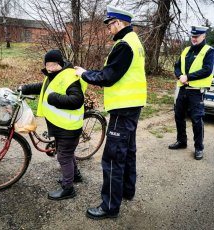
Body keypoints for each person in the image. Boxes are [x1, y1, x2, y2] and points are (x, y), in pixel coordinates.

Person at [75, 5, 147, 220]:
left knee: (113, 158)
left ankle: (109, 207)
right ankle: (127, 190)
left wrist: (85, 74)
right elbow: (113, 72)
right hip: (132, 106)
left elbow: (107, 77)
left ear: (118, 23)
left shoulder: (124, 45)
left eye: (109, 25)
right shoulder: (134, 41)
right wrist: (90, 72)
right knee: (128, 151)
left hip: (123, 109)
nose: (108, 29)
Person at [20, 49, 87, 200]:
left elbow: (77, 100)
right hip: (60, 125)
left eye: (53, 64)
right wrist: (24, 88)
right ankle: (75, 176)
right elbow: (42, 87)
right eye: (48, 64)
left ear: (61, 64)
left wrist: (53, 98)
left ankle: (68, 189)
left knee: (63, 156)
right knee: (67, 154)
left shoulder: (69, 77)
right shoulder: (53, 76)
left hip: (68, 127)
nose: (50, 68)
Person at [168, 25, 214, 160]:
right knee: (178, 116)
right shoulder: (186, 50)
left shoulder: (209, 51)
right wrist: (179, 76)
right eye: (192, 36)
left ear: (203, 36)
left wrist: (188, 77)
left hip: (196, 92)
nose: (194, 39)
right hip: (182, 89)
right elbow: (177, 65)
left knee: (196, 119)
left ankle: (199, 148)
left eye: (197, 36)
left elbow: (207, 70)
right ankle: (182, 141)